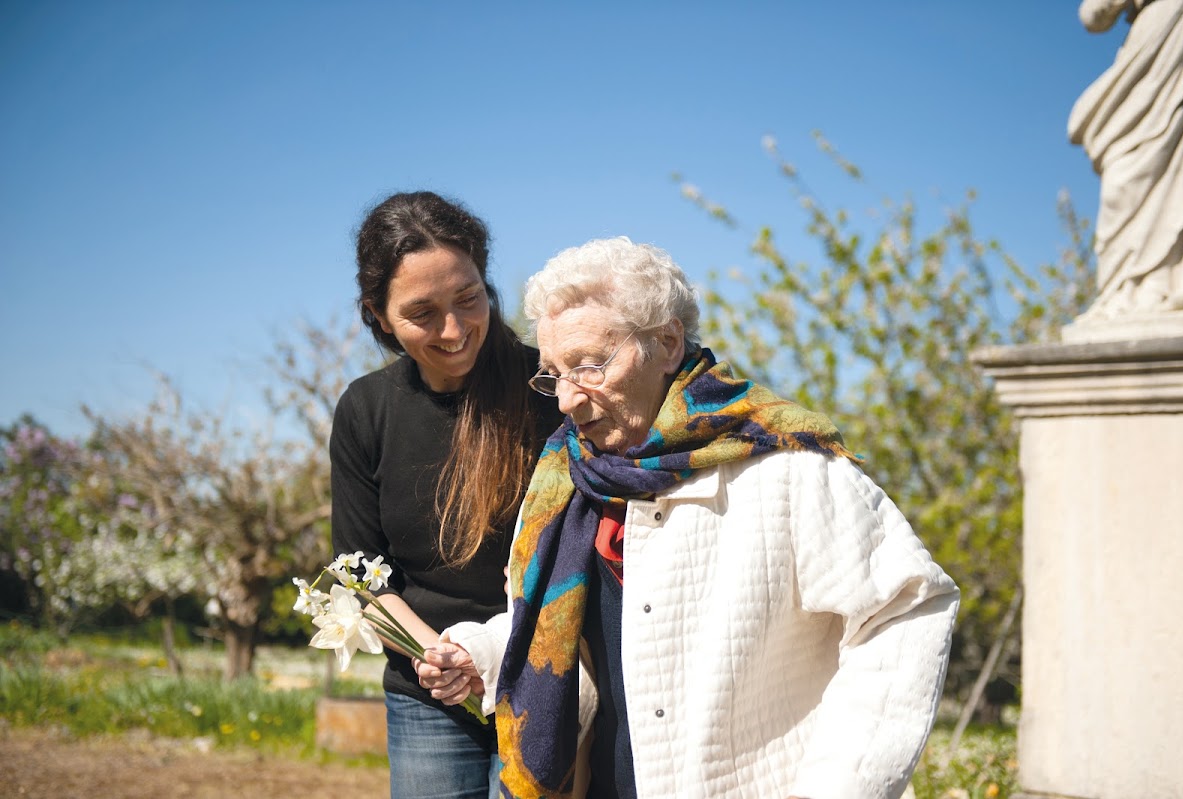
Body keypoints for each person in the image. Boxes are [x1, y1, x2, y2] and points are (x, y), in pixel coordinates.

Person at [416, 237, 960, 799]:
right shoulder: (570, 478)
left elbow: (906, 607)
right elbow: (577, 633)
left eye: (589, 366)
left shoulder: (787, 467)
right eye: (554, 373)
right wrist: (479, 651)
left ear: (668, 342)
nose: (567, 401)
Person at [331, 191, 561, 799]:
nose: (455, 330)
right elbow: (360, 577)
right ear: (379, 315)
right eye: (422, 313)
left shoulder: (552, 391)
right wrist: (442, 658)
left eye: (468, 298)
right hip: (429, 692)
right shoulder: (366, 410)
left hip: (549, 678)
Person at [1069, 0, 1183, 316]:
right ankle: (1124, 290)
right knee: (1124, 178)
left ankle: (1178, 281)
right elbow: (1094, 16)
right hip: (1155, 52)